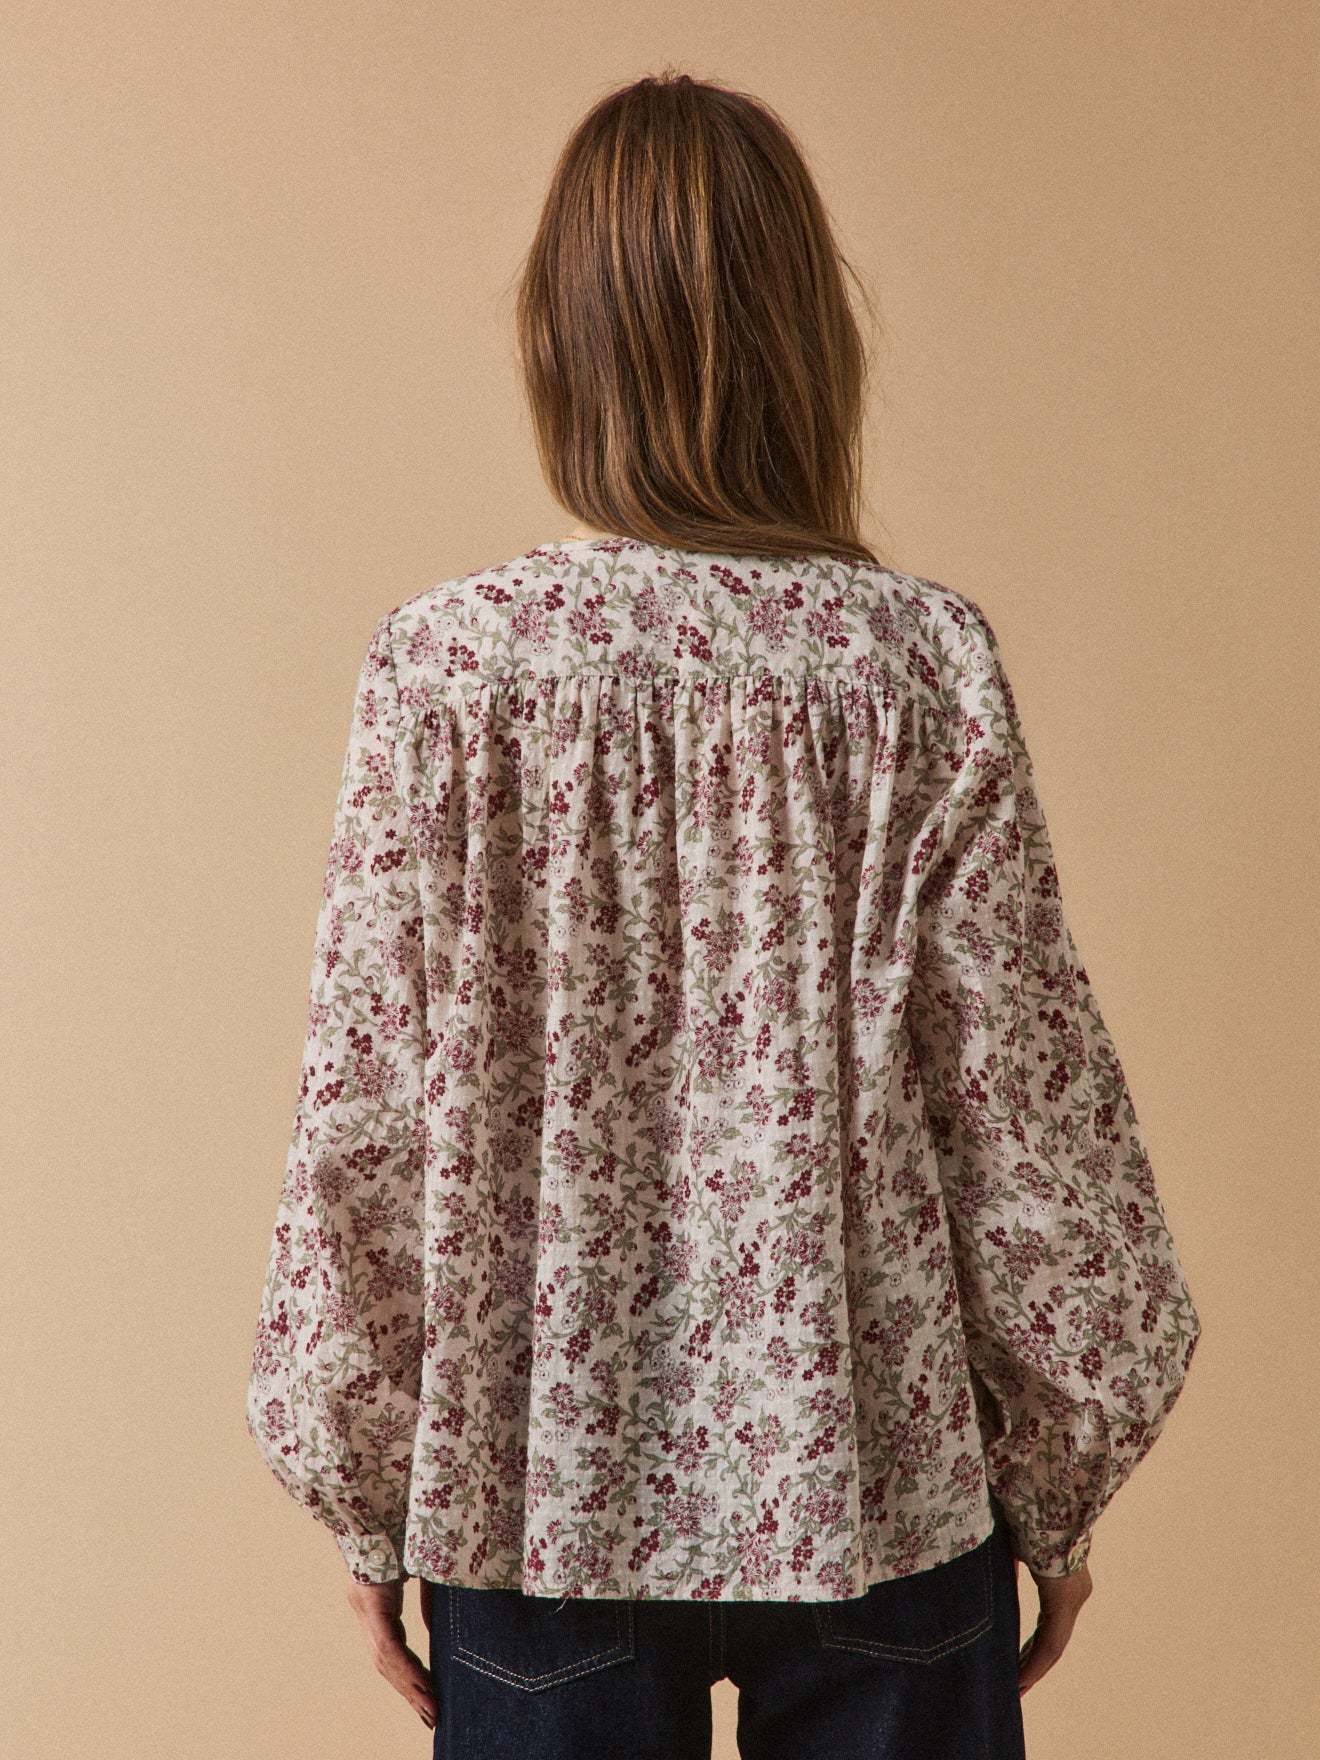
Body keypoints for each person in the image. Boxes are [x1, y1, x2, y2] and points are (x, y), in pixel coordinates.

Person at [245, 70, 1201, 1758]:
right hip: (883, 1495)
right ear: (809, 341)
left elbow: (368, 1121)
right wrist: (1062, 1481)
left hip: (538, 1501)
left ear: (560, 343)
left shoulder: (451, 672)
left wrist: (365, 1498)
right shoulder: (918, 667)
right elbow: (1028, 1126)